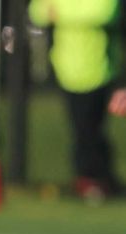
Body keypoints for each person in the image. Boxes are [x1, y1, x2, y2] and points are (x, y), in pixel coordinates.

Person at [28, 0, 123, 201]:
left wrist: (61, 13)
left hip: (100, 70)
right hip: (68, 71)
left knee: (92, 129)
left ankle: (98, 179)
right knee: (81, 128)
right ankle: (90, 179)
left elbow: (104, 13)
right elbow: (37, 12)